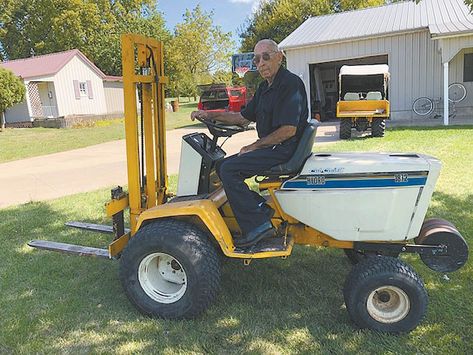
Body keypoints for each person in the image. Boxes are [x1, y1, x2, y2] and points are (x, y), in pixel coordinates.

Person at [191, 39, 309, 248]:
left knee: (229, 170)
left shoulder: (290, 84)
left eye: (266, 56)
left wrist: (255, 146)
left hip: (285, 149)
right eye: (256, 59)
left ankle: (257, 227)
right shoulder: (264, 88)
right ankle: (260, 208)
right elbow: (242, 117)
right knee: (221, 165)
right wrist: (208, 114)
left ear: (279, 57)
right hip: (274, 147)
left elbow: (288, 130)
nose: (261, 63)